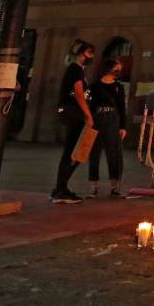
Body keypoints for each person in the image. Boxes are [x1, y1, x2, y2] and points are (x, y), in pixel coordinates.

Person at [51, 39, 94, 203]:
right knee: (71, 152)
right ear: (81, 53)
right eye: (89, 53)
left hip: (75, 112)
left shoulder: (78, 70)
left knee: (74, 152)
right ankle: (60, 189)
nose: (91, 56)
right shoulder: (75, 69)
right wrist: (88, 114)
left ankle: (61, 187)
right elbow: (78, 93)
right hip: (74, 113)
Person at [87, 58, 127, 198]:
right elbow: (90, 106)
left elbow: (122, 107)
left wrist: (123, 126)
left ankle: (114, 186)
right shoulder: (94, 86)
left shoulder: (118, 87)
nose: (119, 71)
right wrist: (89, 122)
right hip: (97, 117)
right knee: (95, 152)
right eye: (116, 68)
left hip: (113, 118)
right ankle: (93, 186)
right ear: (108, 68)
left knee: (113, 152)